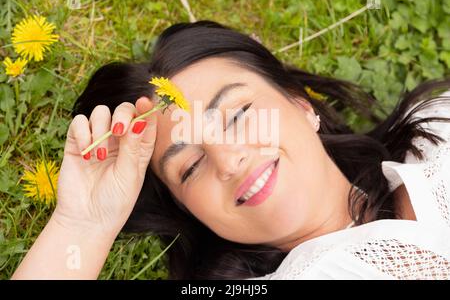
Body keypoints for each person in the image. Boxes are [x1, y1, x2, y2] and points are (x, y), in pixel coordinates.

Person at [12, 21, 450, 280]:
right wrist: (83, 225)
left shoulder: (438, 128)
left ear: (302, 105)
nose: (228, 159)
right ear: (191, 211)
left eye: (239, 115)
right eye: (191, 165)